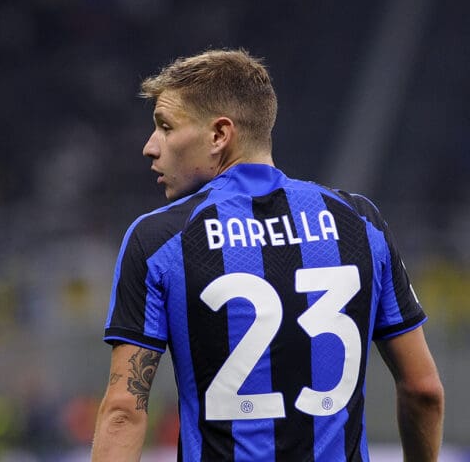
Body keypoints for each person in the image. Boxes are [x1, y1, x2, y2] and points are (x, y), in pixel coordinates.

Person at [90, 48, 444, 461]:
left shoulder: (160, 239)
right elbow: (424, 391)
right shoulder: (360, 223)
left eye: (165, 127)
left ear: (219, 135)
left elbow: (124, 411)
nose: (150, 147)